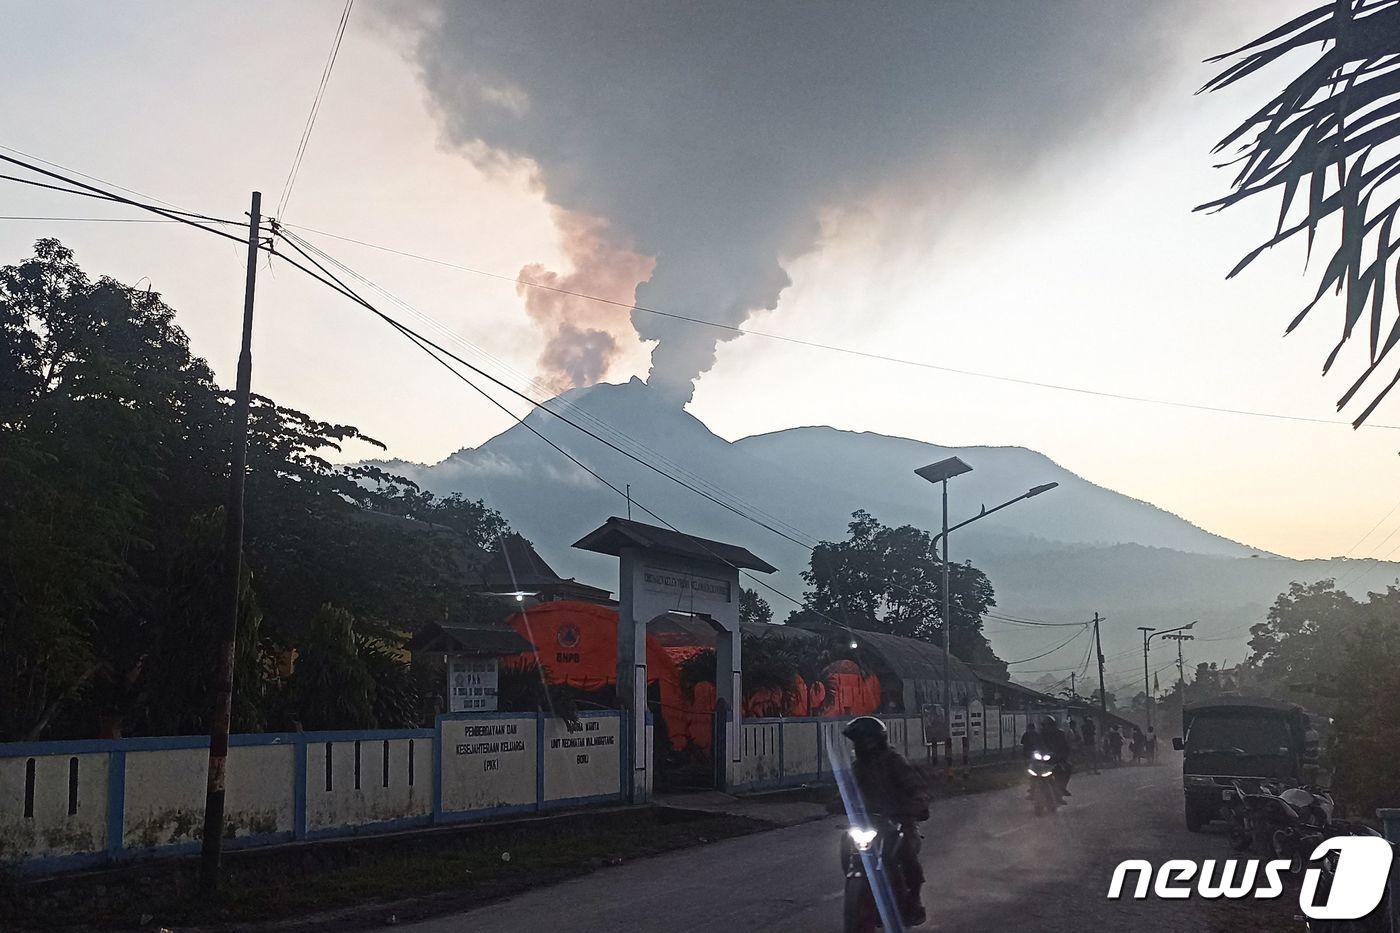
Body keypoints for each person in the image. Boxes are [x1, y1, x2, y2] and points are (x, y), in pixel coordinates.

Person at [843, 716, 930, 926]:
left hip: (899, 822)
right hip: (869, 822)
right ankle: (860, 891)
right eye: (860, 741)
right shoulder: (858, 767)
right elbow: (847, 790)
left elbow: (915, 787)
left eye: (867, 740)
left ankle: (913, 901)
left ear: (878, 740)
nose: (864, 745)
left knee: (907, 855)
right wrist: (837, 801)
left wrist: (918, 803)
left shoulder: (895, 761)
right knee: (846, 843)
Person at [1036, 716, 1072, 800]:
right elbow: (1036, 745)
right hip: (1043, 760)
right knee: (1032, 769)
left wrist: (1061, 755)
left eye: (1048, 725)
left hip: (1056, 759)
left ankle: (1061, 788)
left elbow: (1065, 747)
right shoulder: (1041, 734)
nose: (1047, 727)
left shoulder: (1060, 734)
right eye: (1045, 725)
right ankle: (1032, 787)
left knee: (1067, 768)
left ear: (1053, 725)